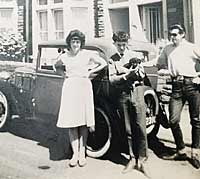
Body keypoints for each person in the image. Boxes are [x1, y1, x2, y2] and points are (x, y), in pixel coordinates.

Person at [54, 29, 107, 167]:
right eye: (73, 41)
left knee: (83, 121)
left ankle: (82, 153)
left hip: (83, 86)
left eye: (77, 41)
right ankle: (75, 154)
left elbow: (103, 63)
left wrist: (90, 71)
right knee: (72, 122)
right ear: (69, 43)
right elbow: (56, 66)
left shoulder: (87, 54)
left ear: (81, 43)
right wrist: (63, 74)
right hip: (70, 87)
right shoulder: (65, 56)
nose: (75, 44)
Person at [157, 23, 200, 169]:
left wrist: (199, 76)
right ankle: (181, 150)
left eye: (175, 34)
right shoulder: (167, 49)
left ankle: (195, 153)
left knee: (196, 120)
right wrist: (163, 70)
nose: (172, 37)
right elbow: (159, 63)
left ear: (182, 34)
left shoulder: (191, 47)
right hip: (176, 86)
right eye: (171, 34)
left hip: (192, 86)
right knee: (173, 120)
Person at [109, 31, 150, 177]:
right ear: (114, 44)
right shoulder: (112, 60)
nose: (121, 48)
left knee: (141, 126)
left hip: (137, 91)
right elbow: (112, 79)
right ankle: (132, 159)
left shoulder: (135, 55)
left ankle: (142, 160)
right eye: (118, 45)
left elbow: (143, 75)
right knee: (128, 128)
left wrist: (138, 72)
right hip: (123, 94)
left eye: (123, 45)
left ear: (127, 44)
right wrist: (126, 75)